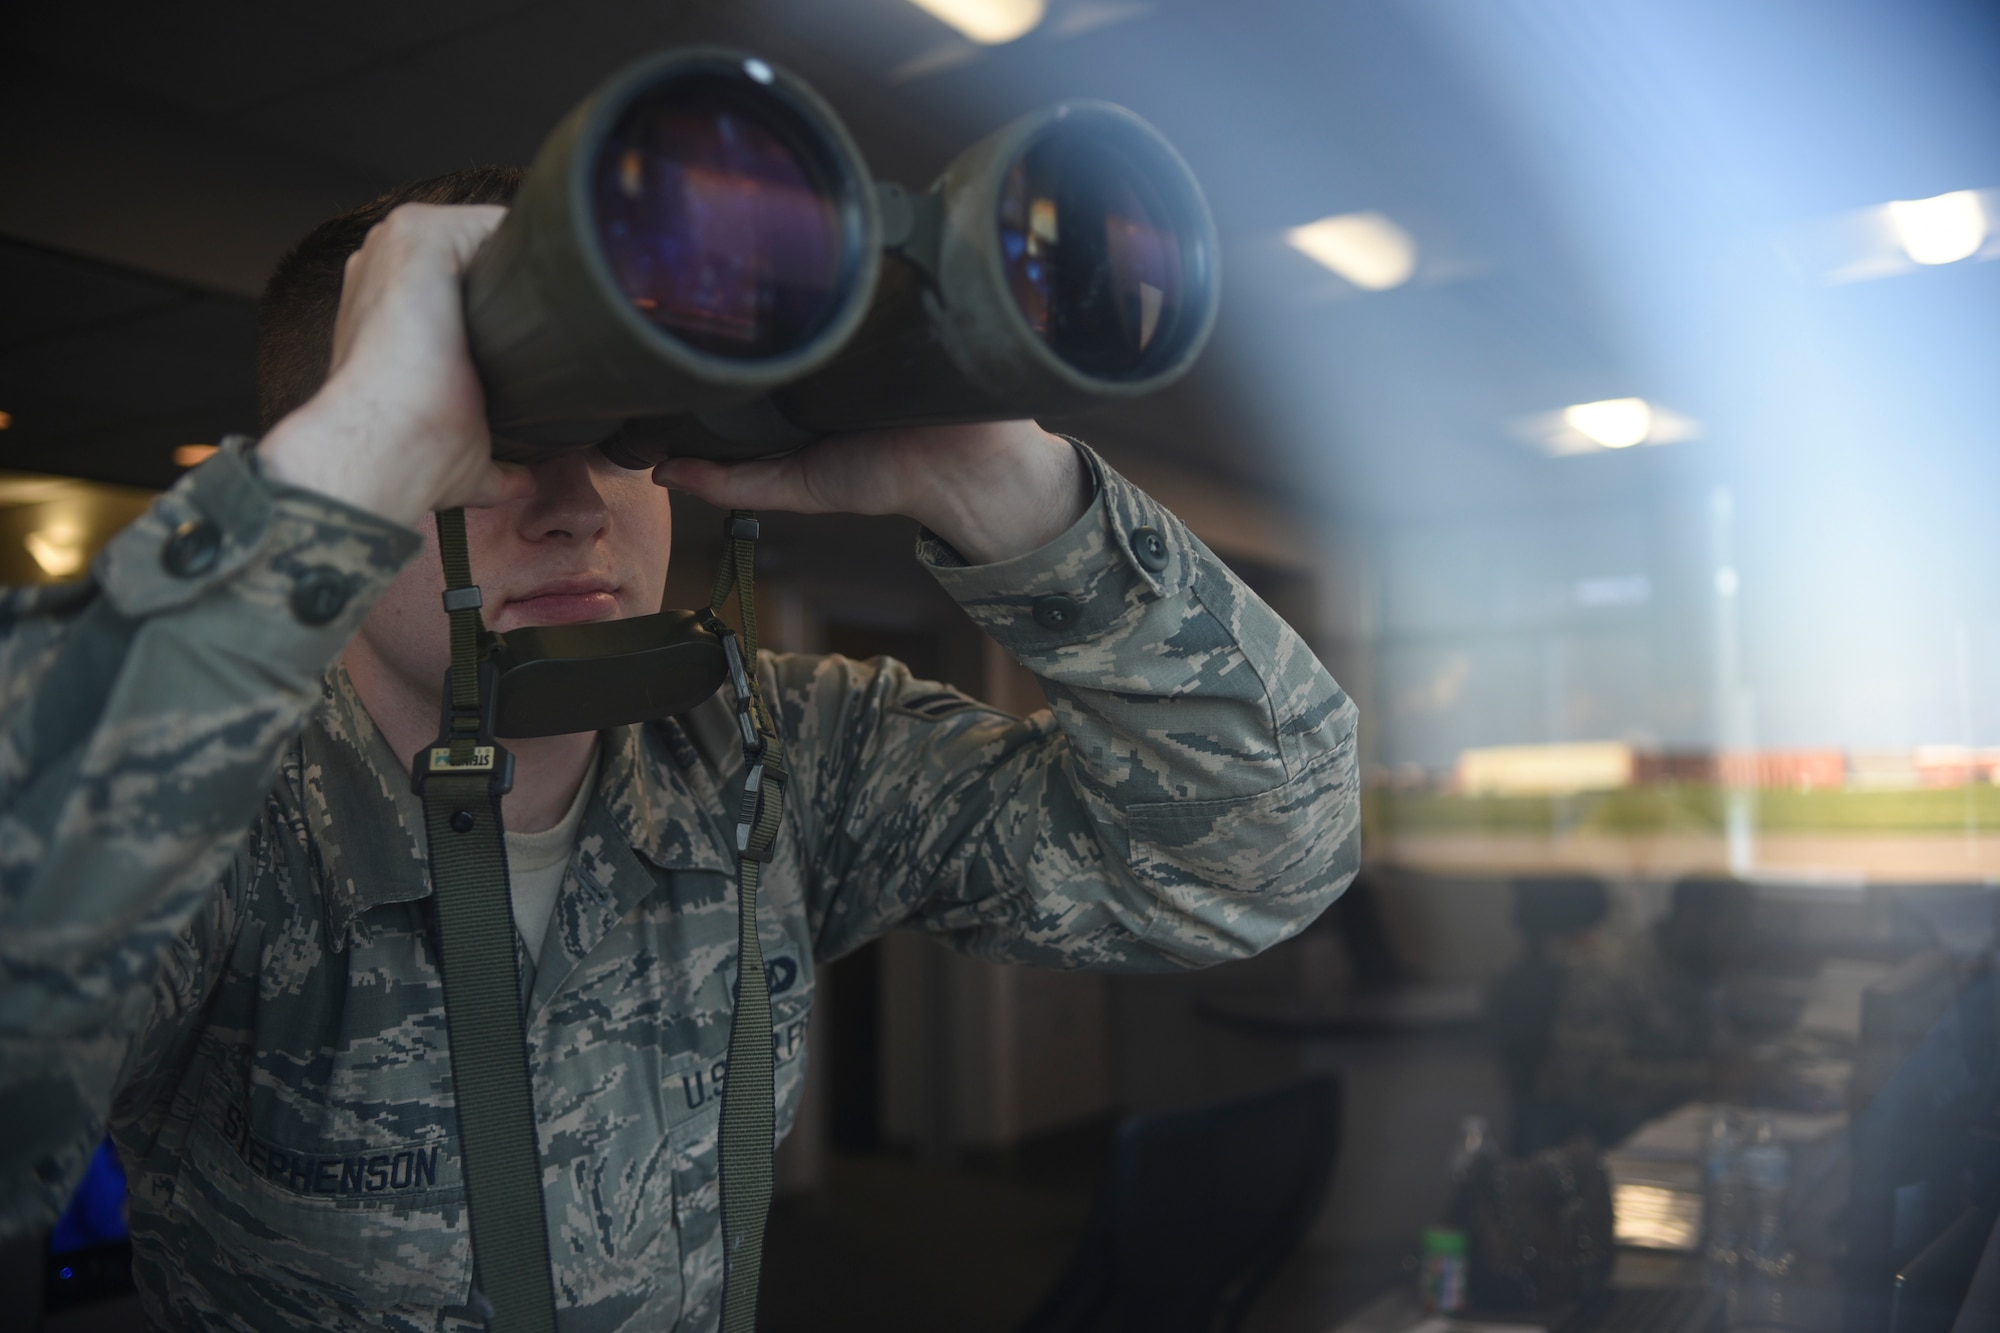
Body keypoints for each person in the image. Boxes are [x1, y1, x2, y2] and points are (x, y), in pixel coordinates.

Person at [0, 168, 1359, 1329]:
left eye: (622, 436)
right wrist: (327, 475)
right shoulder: (211, 810)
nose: (577, 505)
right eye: (496, 443)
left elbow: (1261, 848)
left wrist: (996, 477)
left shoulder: (770, 752)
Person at [1537, 876, 1756, 1147]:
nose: (1741, 950)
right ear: (1692, 919)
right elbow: (1594, 1084)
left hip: (1685, 1140)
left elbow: (1722, 1055)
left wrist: (1752, 1072)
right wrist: (1708, 1078)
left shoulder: (1702, 972)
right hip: (1607, 1151)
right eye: (1732, 934)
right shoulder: (1610, 973)